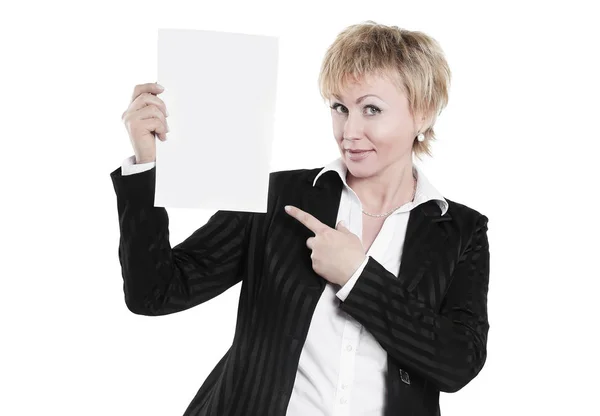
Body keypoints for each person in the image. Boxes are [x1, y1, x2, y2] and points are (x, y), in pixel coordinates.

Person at [111, 20, 490, 416]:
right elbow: (154, 292)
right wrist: (145, 165)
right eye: (340, 108)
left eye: (372, 109)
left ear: (424, 114)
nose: (350, 131)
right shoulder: (278, 198)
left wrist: (358, 277)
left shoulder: (460, 231)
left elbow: (458, 364)